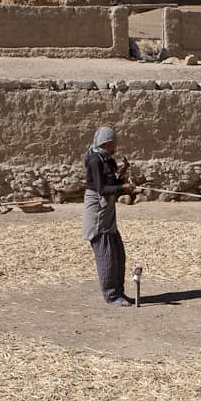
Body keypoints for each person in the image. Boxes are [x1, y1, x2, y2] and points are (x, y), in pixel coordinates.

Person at [82, 125, 136, 306]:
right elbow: (102, 189)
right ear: (105, 144)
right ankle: (111, 296)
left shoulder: (107, 160)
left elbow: (112, 183)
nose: (115, 147)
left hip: (108, 212)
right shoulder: (94, 161)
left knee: (118, 255)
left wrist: (123, 174)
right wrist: (123, 188)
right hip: (98, 212)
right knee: (106, 255)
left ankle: (119, 291)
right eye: (112, 143)